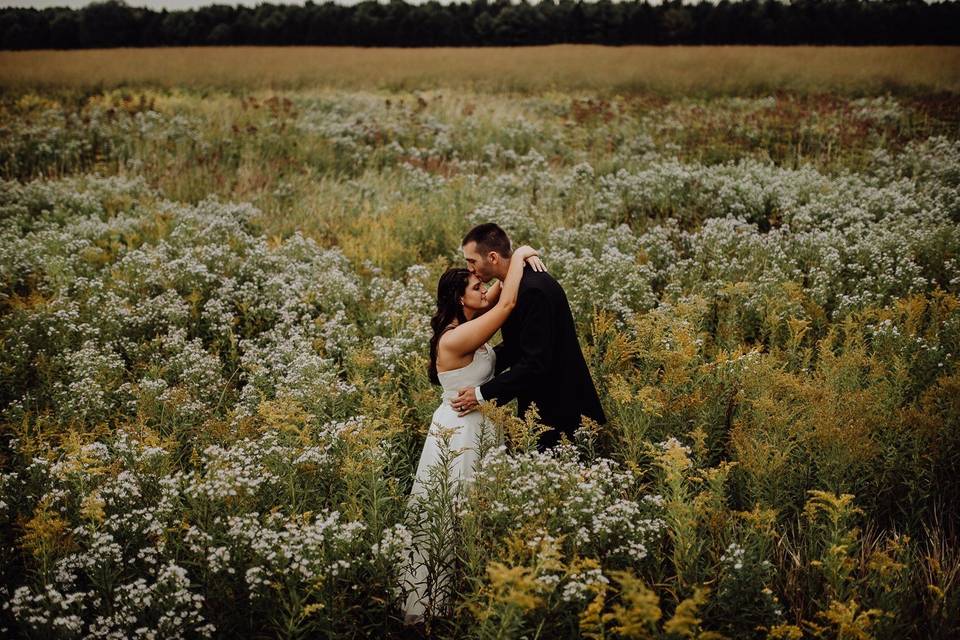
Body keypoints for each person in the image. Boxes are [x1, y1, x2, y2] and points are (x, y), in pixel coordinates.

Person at [400, 243, 544, 626]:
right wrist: (524, 252)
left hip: (480, 425)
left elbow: (499, 288)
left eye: (481, 284)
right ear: (459, 298)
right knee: (454, 511)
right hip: (460, 433)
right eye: (476, 287)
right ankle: (437, 603)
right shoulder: (454, 338)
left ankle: (473, 589)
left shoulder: (468, 319)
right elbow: (507, 304)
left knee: (477, 508)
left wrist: (515, 260)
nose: (484, 289)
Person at [452, 223, 606, 451]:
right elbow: (519, 345)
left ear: (492, 257)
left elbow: (535, 362)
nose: (469, 269)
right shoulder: (516, 284)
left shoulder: (533, 289)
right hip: (544, 409)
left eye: (472, 261)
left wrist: (481, 394)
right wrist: (477, 366)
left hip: (561, 412)